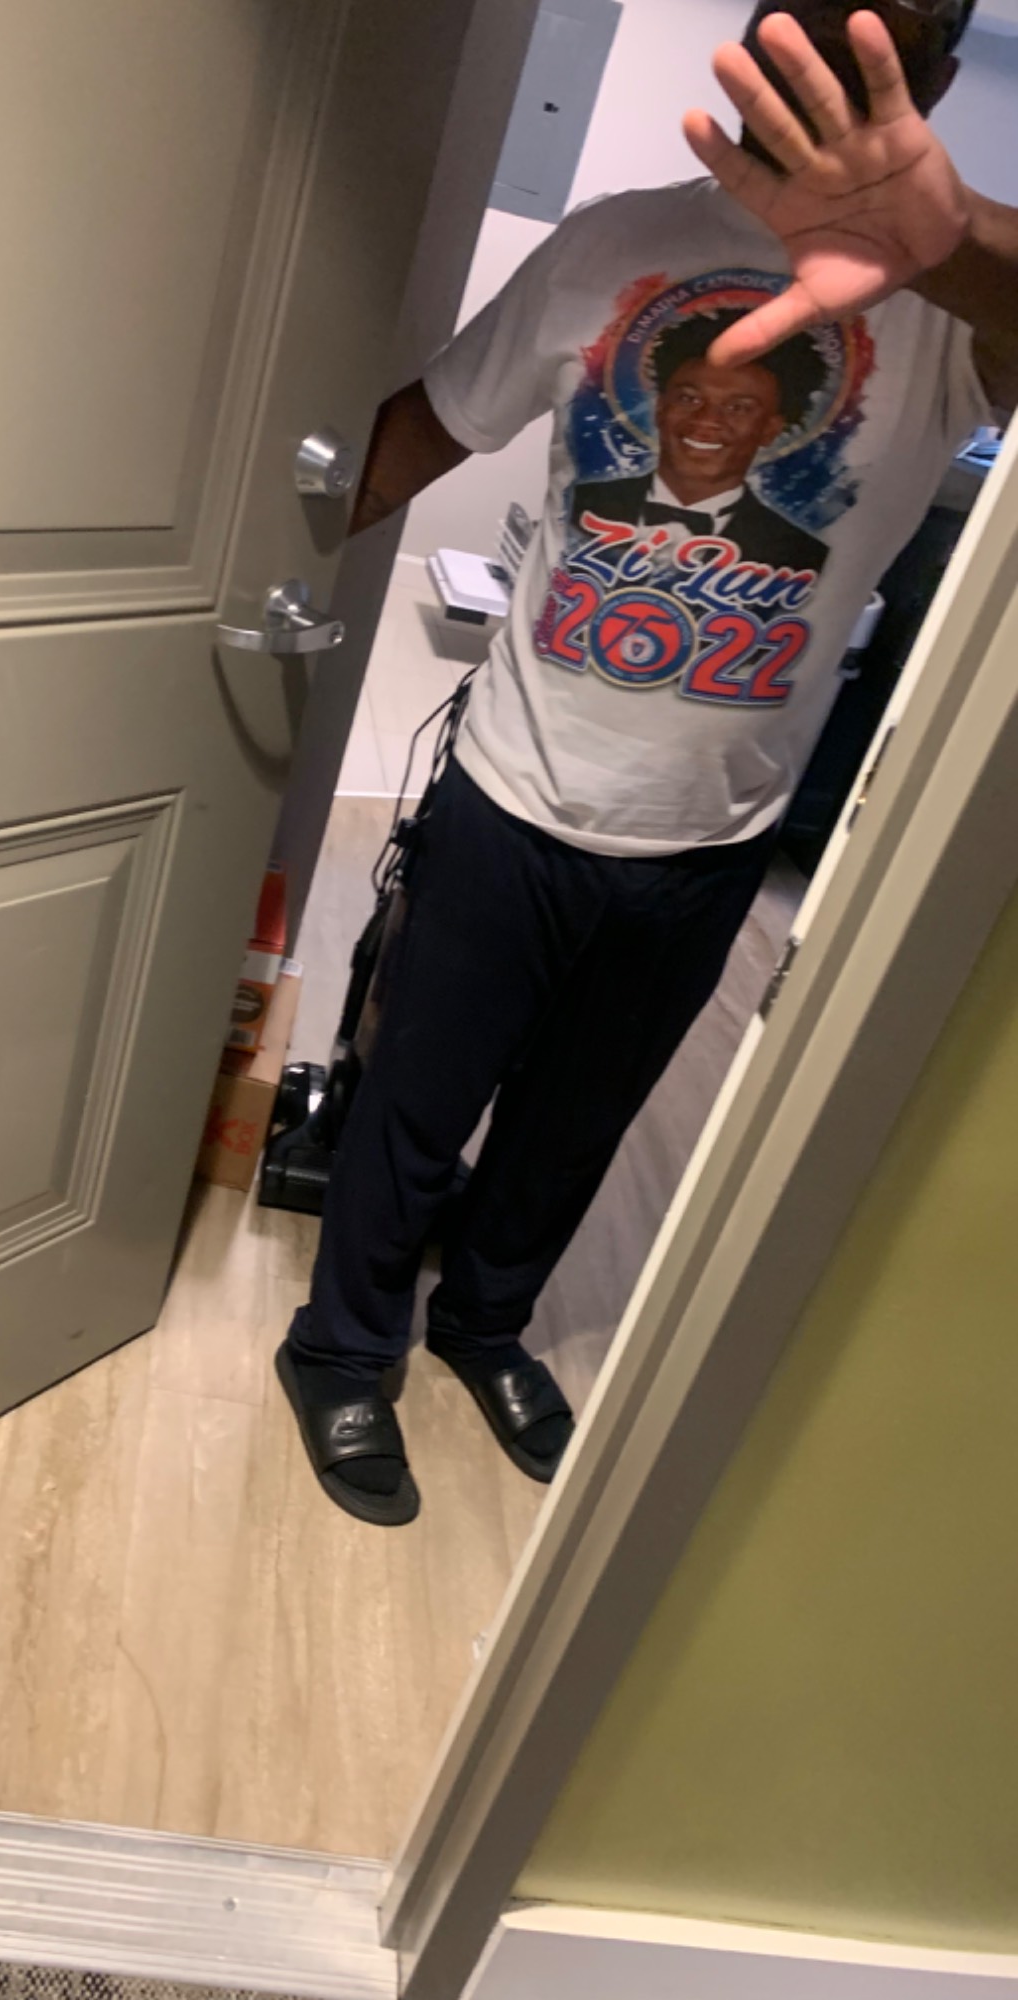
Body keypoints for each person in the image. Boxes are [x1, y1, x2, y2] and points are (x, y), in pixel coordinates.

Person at [276, 2, 1018, 1528]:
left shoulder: (957, 312)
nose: (832, 52)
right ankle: (342, 1346)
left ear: (939, 72)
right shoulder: (613, 247)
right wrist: (225, 563)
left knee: (577, 1122)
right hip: (514, 794)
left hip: (712, 836)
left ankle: (485, 1325)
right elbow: (422, 432)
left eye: (890, 30)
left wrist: (946, 241)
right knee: (416, 1100)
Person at [569, 309, 832, 573]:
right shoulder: (576, 504)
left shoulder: (800, 553)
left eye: (738, 408)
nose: (707, 420)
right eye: (689, 399)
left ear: (769, 429)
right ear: (660, 409)